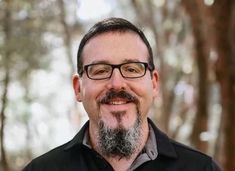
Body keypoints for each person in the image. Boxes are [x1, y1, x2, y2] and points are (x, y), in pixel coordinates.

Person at [22, 17, 221, 171]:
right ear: (78, 88)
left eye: (132, 69)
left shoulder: (201, 168)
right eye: (100, 70)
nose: (116, 84)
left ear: (154, 83)